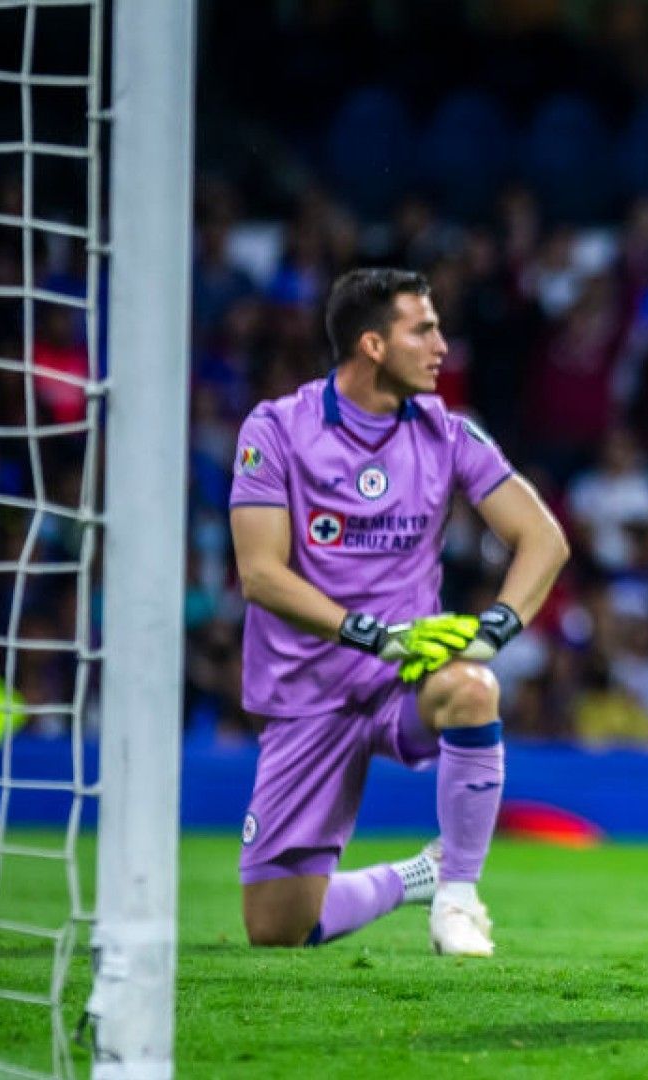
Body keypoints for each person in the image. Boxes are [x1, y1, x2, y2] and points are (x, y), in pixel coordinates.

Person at [230, 268, 570, 955]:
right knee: (277, 929)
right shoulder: (277, 429)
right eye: (424, 330)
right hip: (307, 692)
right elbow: (260, 574)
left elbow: (544, 539)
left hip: (402, 682)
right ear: (373, 345)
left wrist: (493, 631)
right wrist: (369, 634)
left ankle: (458, 897)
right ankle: (419, 874)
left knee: (472, 689)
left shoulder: (449, 433)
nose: (442, 347)